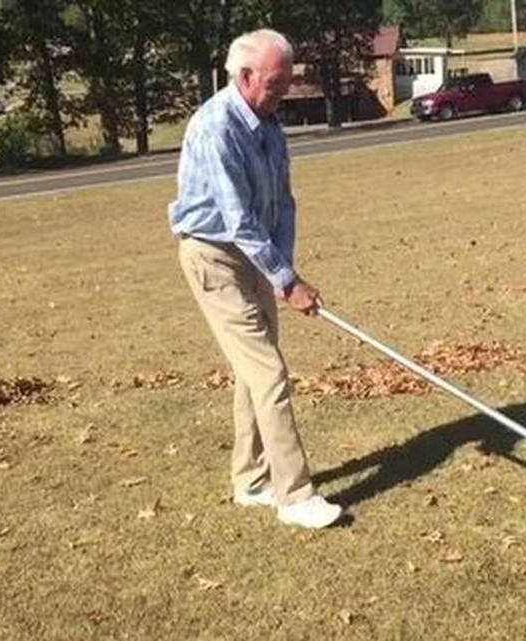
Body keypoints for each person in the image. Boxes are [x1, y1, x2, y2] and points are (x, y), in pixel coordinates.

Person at [168, 29, 342, 529]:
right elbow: (237, 218)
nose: (283, 92)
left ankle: (250, 479)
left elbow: (283, 203)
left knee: (254, 371)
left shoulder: (270, 125)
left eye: (286, 82)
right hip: (213, 258)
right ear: (245, 76)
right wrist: (286, 280)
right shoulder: (216, 127)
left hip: (255, 256)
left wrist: (284, 271)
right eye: (275, 83)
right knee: (269, 372)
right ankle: (295, 496)